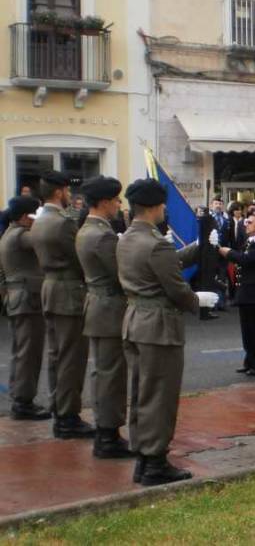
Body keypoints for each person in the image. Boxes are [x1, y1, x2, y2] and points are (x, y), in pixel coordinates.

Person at [117, 179, 218, 486]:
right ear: (153, 207)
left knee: (140, 394)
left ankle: (144, 457)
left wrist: (198, 247)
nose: (164, 210)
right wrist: (196, 300)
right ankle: (155, 462)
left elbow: (164, 265)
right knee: (160, 396)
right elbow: (174, 286)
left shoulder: (126, 239)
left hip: (135, 321)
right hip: (159, 326)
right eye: (162, 205)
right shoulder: (156, 242)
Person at [30, 170, 94, 439]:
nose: (70, 196)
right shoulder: (63, 222)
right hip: (69, 292)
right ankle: (68, 416)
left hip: (50, 289)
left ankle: (59, 407)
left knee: (56, 355)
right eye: (68, 191)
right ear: (59, 192)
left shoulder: (39, 221)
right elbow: (80, 260)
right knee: (72, 357)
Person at [75, 176, 134, 458]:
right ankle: (108, 435)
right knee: (111, 375)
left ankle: (105, 431)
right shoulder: (103, 235)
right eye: (115, 200)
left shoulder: (86, 229)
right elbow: (122, 275)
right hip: (109, 308)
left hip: (96, 306)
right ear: (103, 202)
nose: (118, 204)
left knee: (103, 372)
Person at [0, 196, 50, 420]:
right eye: (34, 214)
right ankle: (23, 402)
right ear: (24, 216)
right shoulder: (20, 235)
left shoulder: (9, 234)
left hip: (18, 297)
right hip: (27, 299)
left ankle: (21, 398)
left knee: (22, 352)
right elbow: (43, 239)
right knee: (28, 354)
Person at [219, 215, 255, 376]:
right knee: (247, 330)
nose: (246, 225)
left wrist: (228, 253)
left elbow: (246, 259)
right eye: (246, 222)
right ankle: (249, 361)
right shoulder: (251, 241)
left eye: (250, 222)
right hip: (246, 292)